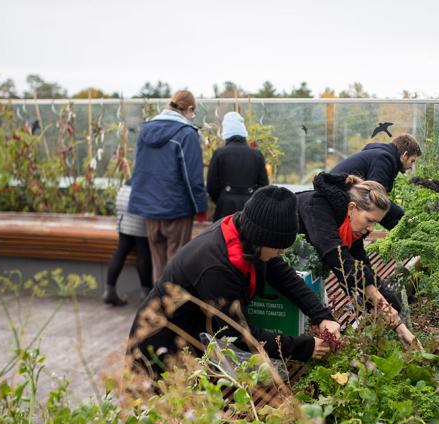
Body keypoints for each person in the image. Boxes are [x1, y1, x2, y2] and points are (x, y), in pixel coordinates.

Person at [128, 185, 342, 378]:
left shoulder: (244, 234)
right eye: (278, 247)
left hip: (193, 339)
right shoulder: (217, 267)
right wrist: (304, 347)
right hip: (159, 350)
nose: (282, 251)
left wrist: (321, 316)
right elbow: (238, 333)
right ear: (260, 240)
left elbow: (284, 276)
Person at [296, 172, 418, 348]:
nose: (371, 228)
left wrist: (395, 313)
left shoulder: (350, 225)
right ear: (352, 208)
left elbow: (363, 267)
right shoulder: (318, 206)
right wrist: (386, 309)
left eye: (376, 223)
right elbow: (340, 261)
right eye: (369, 220)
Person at [128, 90, 208, 281]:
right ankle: (173, 308)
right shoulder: (186, 134)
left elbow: (140, 169)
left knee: (159, 264)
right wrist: (201, 207)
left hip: (150, 211)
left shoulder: (145, 131)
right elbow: (193, 177)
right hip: (176, 209)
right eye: (193, 112)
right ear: (189, 109)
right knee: (176, 264)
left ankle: (159, 307)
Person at [330, 133, 422, 230]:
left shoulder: (379, 155)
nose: (411, 167)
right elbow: (376, 201)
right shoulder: (383, 159)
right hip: (333, 201)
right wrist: (405, 221)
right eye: (412, 161)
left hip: (338, 200)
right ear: (404, 155)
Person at [207, 111, 269, 221]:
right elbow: (264, 185)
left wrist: (222, 198)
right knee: (248, 236)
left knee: (223, 237)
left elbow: (212, 185)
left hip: (224, 207)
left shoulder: (219, 154)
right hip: (250, 206)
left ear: (226, 133)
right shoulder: (256, 155)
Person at [103, 180, 153, 306]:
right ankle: (146, 295)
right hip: (140, 194)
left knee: (123, 247)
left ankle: (109, 291)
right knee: (143, 250)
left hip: (124, 192)